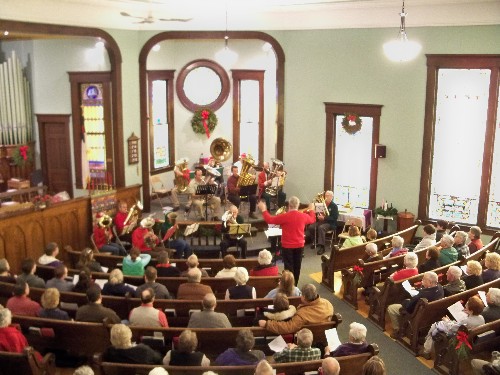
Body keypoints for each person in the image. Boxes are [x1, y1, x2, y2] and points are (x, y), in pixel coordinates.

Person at [258, 197, 315, 283]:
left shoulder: (285, 216)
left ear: (289, 205)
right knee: (297, 266)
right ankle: (295, 285)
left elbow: (270, 220)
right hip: (299, 245)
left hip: (287, 246)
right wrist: (311, 209)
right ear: (298, 205)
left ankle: (289, 285)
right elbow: (312, 219)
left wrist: (264, 210)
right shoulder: (303, 216)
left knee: (288, 267)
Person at [419, 296, 484, 360]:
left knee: (436, 326)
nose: (465, 306)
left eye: (467, 305)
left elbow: (452, 329)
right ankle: (426, 344)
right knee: (437, 326)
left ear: (472, 311)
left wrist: (447, 321)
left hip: (456, 337)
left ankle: (426, 351)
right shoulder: (481, 318)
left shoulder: (466, 321)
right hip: (470, 339)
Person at [387, 271, 444, 338]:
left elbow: (408, 308)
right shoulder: (440, 288)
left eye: (424, 279)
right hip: (430, 314)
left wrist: (405, 302)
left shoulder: (422, 295)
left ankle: (398, 331)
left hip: (417, 315)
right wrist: (417, 289)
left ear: (430, 282)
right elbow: (426, 291)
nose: (422, 281)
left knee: (391, 308)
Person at [259, 284, 334, 334]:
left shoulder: (302, 314)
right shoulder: (327, 303)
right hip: (322, 335)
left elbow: (288, 327)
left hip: (306, 336)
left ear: (304, 297)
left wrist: (267, 324)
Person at [305, 190, 338, 256]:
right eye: (325, 195)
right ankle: (316, 241)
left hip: (330, 223)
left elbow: (334, 218)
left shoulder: (334, 206)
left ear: (332, 197)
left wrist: (324, 218)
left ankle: (322, 247)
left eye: (328, 195)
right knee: (311, 227)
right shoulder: (321, 204)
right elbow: (318, 214)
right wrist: (318, 216)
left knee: (321, 228)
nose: (326, 197)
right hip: (321, 221)